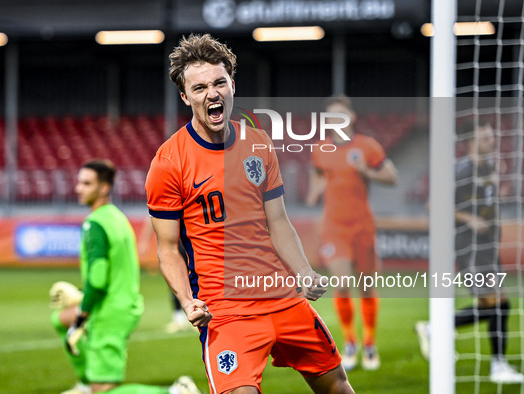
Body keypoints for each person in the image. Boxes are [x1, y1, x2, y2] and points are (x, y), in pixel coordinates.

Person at [145, 34, 354, 394]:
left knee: (337, 386)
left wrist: (303, 272)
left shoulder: (258, 143)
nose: (212, 93)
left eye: (219, 82)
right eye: (199, 88)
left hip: (284, 297)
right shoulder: (168, 162)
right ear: (185, 97)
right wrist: (186, 301)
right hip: (225, 310)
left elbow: (278, 223)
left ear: (232, 85)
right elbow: (167, 248)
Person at [49, 159, 201, 394]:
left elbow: (98, 280)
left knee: (105, 391)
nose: (79, 188)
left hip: (109, 310)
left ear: (104, 188)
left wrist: (82, 316)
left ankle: (174, 392)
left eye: (87, 183)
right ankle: (85, 384)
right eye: (80, 182)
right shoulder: (117, 217)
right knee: (60, 319)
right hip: (123, 302)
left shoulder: (95, 224)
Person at [415, 124, 524, 384]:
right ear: (472, 142)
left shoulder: (488, 168)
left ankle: (437, 328)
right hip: (470, 247)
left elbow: (485, 198)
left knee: (497, 305)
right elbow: (434, 204)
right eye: (486, 137)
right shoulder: (461, 169)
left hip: (487, 245)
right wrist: (469, 219)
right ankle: (497, 366)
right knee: (499, 304)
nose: (493, 139)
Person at [306, 95, 398, 371]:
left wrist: (367, 171)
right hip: (334, 227)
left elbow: (392, 177)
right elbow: (316, 181)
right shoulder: (320, 149)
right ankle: (349, 343)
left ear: (351, 117)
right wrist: (314, 193)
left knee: (367, 287)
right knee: (342, 283)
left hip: (363, 226)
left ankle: (369, 344)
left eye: (340, 114)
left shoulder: (367, 147)